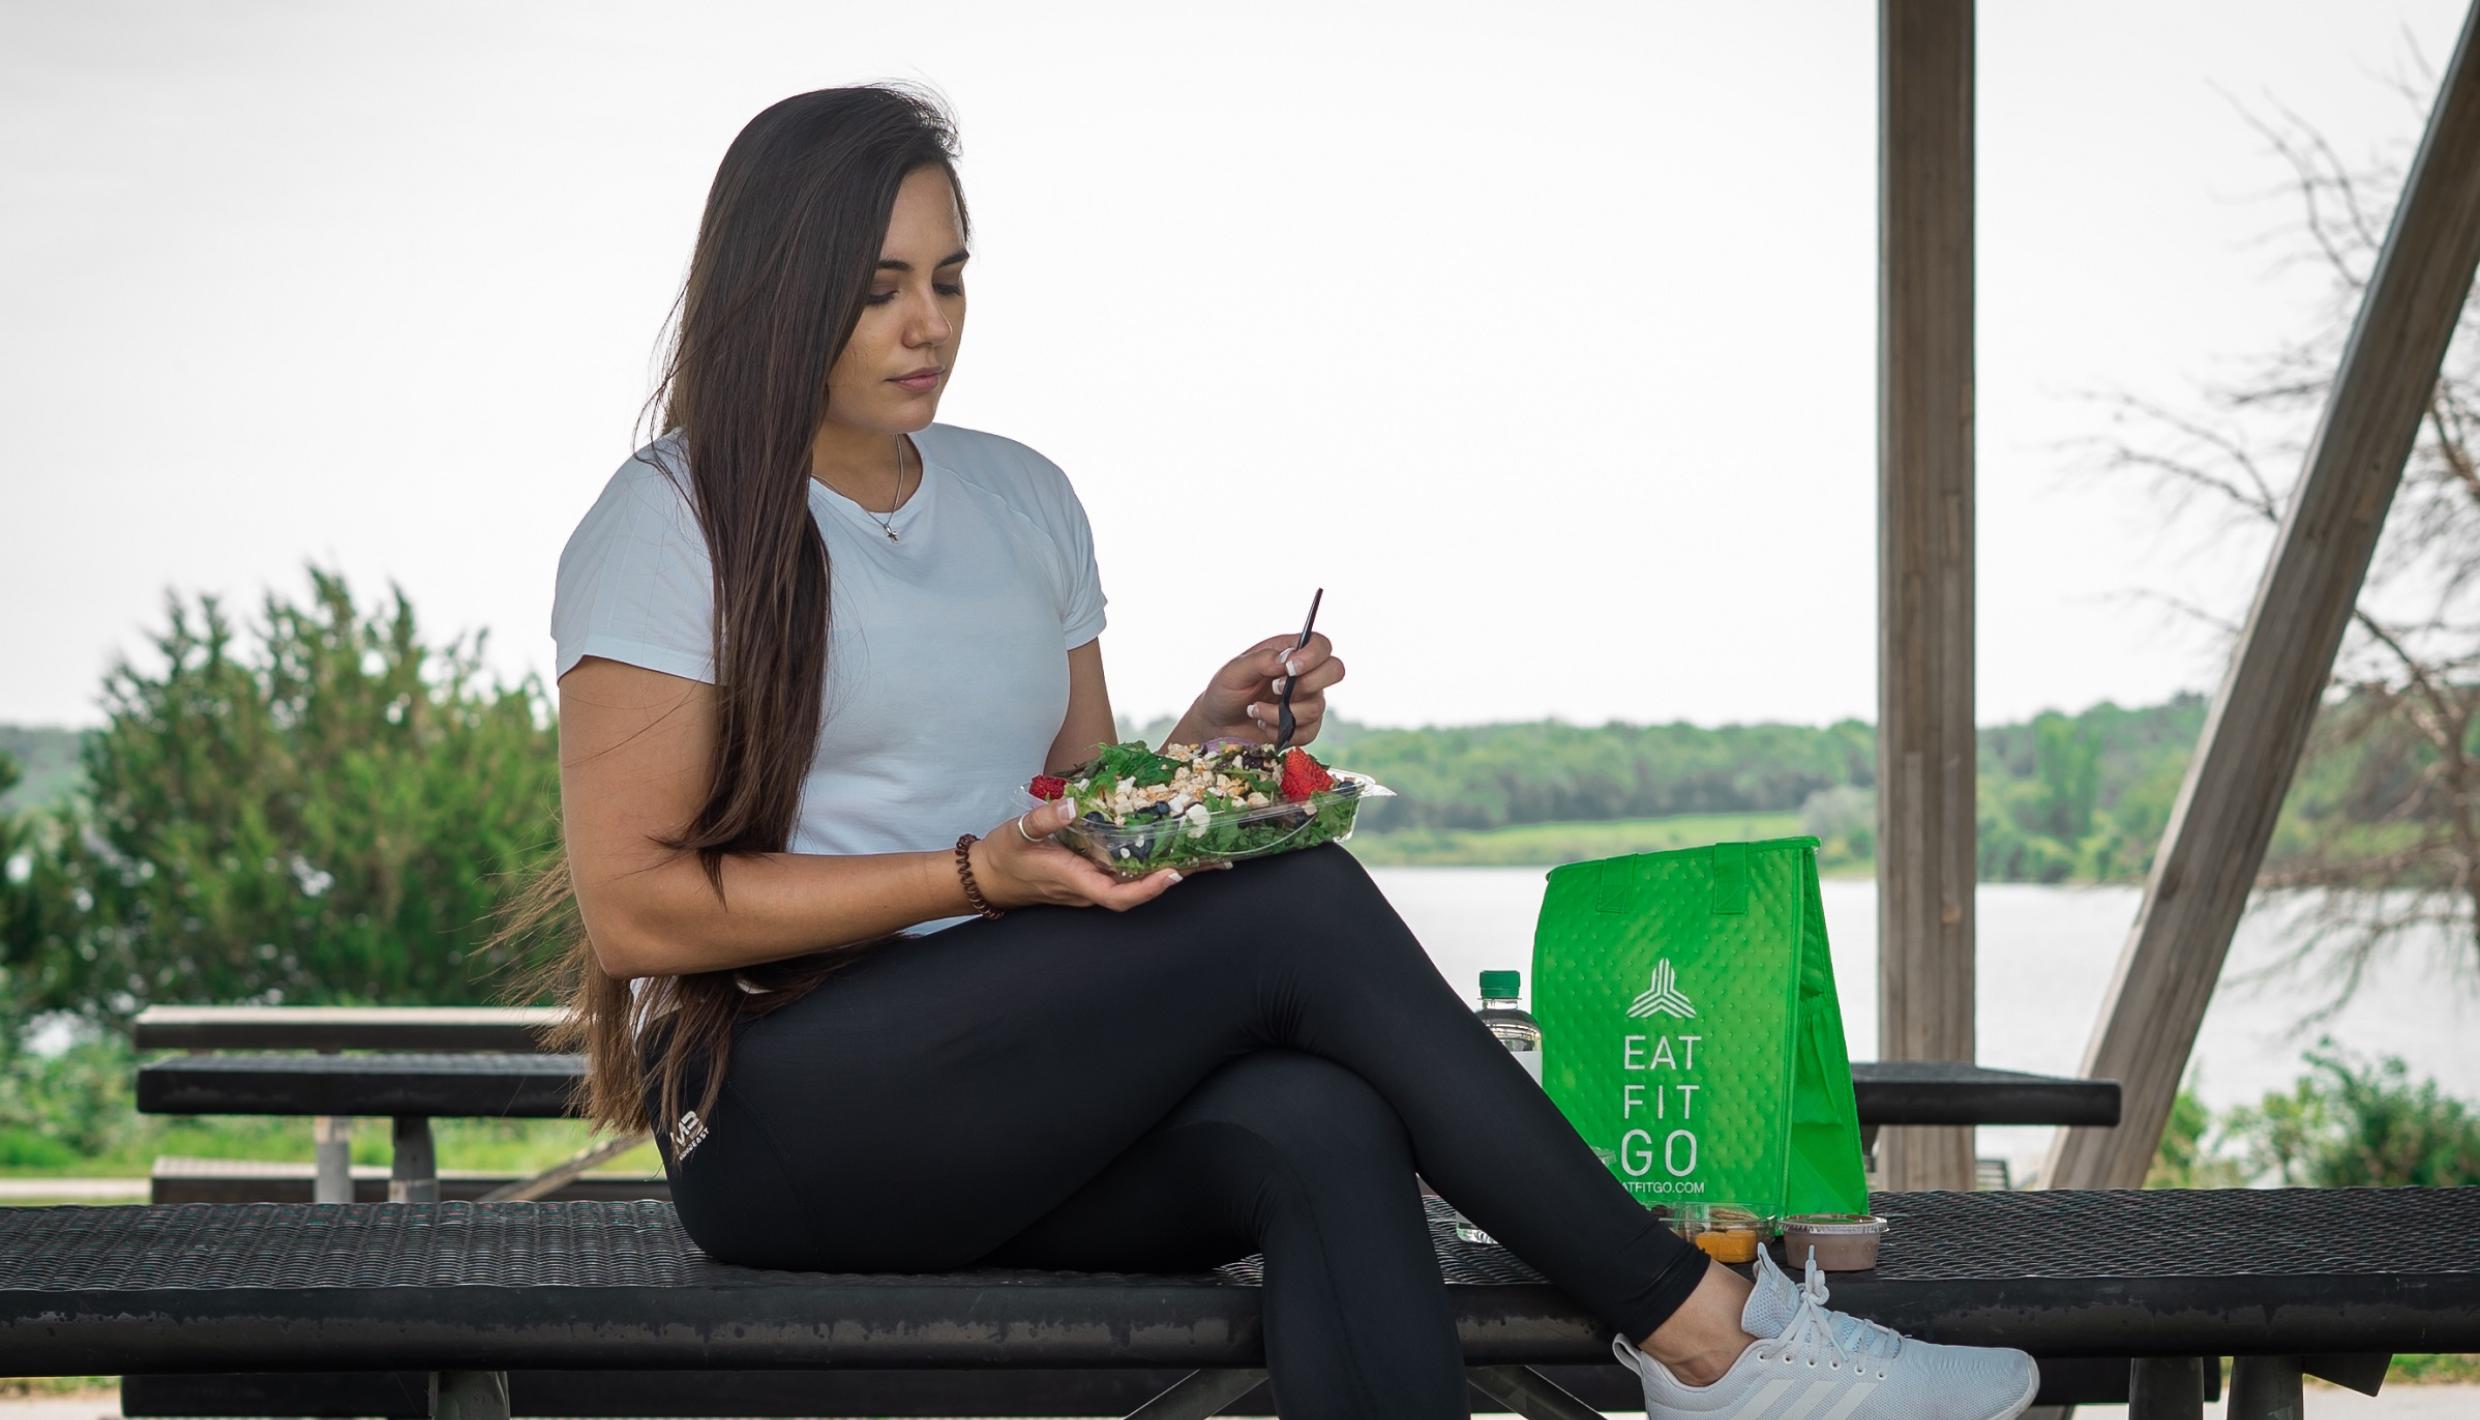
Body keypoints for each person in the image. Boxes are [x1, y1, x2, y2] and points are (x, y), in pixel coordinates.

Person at [508, 82, 2041, 1420]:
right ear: (782, 292)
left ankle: (1720, 1355)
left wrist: (1199, 753)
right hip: (785, 1114)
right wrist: (980, 874)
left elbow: (1076, 816)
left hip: (1018, 1090)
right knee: (1292, 904)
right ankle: (1709, 1337)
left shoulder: (1023, 498)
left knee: (1324, 1123)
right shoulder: (671, 522)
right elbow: (636, 910)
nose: (931, 325)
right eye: (879, 289)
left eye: (952, 279)